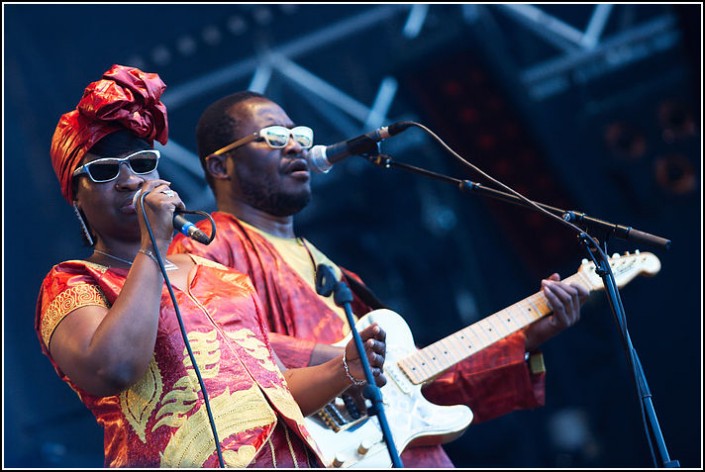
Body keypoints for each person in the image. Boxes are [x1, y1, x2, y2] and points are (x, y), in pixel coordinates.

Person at [168, 91, 590, 467]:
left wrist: (526, 337)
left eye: (298, 133)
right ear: (220, 165)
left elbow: (417, 379)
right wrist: (337, 362)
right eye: (275, 137)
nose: (296, 145)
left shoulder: (334, 269)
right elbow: (213, 346)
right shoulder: (206, 247)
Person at [35, 65, 387, 468]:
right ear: (76, 197)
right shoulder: (70, 282)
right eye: (104, 170)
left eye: (143, 162)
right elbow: (112, 368)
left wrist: (342, 370)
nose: (130, 180)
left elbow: (270, 388)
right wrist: (153, 246)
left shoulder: (220, 277)